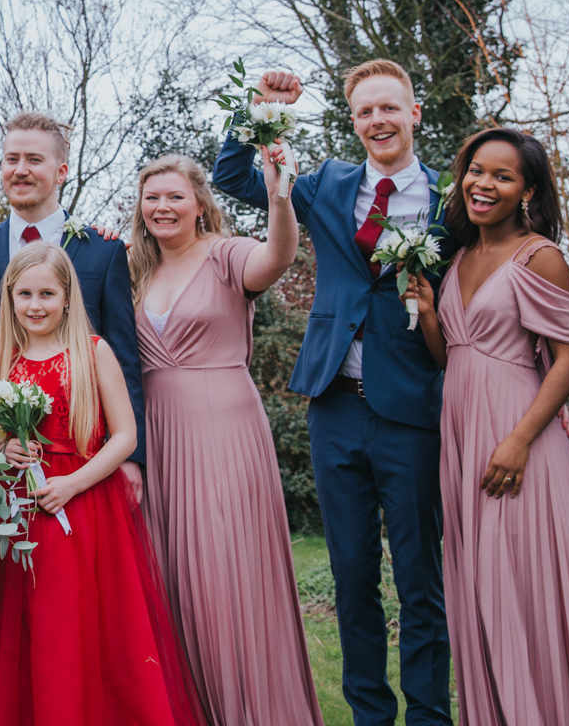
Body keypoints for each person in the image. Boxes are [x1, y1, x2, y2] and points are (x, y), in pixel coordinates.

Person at [212, 60, 451, 726]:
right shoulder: (326, 185)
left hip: (412, 409)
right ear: (354, 122)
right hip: (335, 403)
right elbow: (232, 178)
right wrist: (261, 107)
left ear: (414, 114)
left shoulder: (449, 200)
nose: (378, 120)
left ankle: (430, 714)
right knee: (351, 576)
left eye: (389, 108)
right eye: (365, 111)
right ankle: (369, 714)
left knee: (420, 579)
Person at [405, 128, 569, 724]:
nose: (485, 184)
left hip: (517, 433)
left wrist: (521, 439)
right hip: (462, 429)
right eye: (477, 170)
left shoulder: (540, 255)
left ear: (527, 190)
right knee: (480, 583)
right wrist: (428, 316)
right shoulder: (460, 258)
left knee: (523, 579)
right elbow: (456, 356)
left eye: (503, 176)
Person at [0, 242, 204, 726]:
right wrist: (4, 453)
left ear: (67, 297)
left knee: (82, 628)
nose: (36, 305)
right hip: (22, 518)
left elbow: (125, 436)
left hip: (83, 510)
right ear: (9, 298)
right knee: (32, 631)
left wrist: (73, 484)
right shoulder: (9, 361)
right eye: (24, 294)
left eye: (47, 293)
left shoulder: (92, 352)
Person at [130, 150, 321, 726]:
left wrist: (279, 196)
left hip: (224, 431)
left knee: (223, 576)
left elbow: (276, 259)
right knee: (172, 580)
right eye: (152, 198)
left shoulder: (224, 254)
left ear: (199, 204)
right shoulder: (134, 270)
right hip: (158, 436)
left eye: (174, 196)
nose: (163, 207)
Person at [0, 112, 146, 497]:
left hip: (85, 460)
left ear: (61, 171)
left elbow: (124, 358)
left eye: (34, 160)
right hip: (4, 459)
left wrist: (132, 458)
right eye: (11, 159)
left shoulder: (103, 251)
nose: (20, 170)